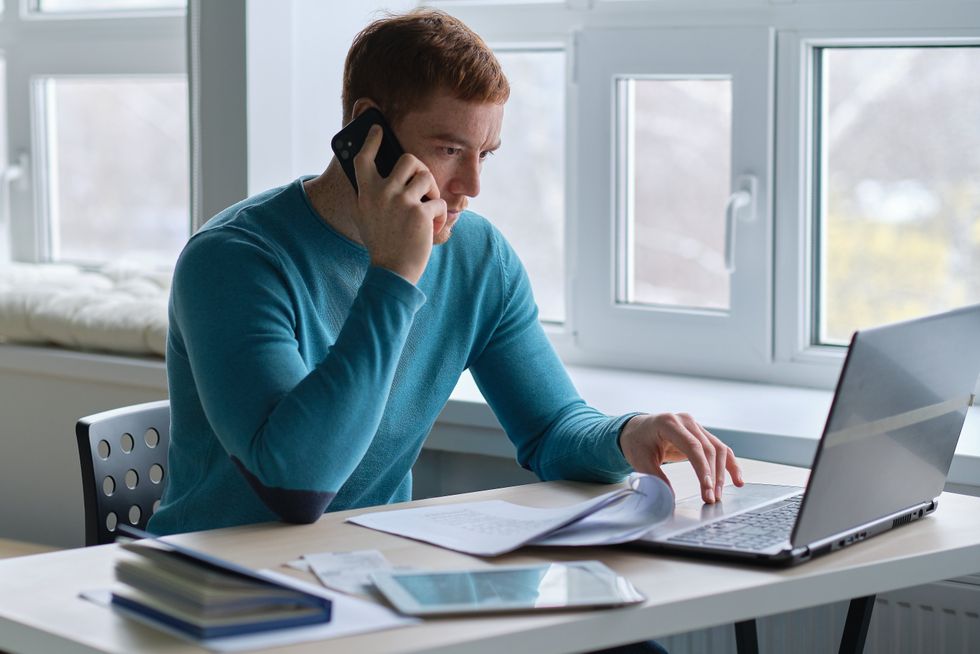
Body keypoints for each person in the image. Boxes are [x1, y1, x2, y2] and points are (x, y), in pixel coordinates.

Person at [147, 8, 743, 538]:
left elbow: (552, 427)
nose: (472, 187)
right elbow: (296, 487)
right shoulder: (233, 261)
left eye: (485, 154)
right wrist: (395, 274)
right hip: (219, 593)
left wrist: (626, 434)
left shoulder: (477, 257)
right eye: (449, 149)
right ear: (368, 132)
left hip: (372, 578)